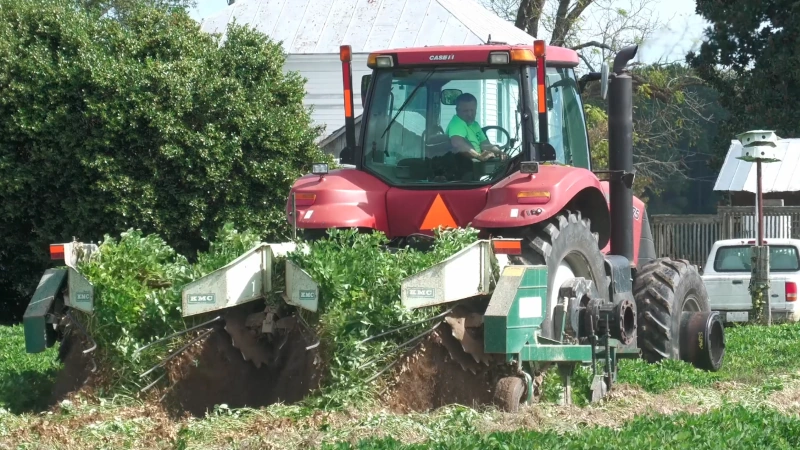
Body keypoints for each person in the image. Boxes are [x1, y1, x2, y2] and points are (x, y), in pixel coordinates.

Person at [446, 93, 506, 161]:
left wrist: (500, 152)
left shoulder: (475, 124)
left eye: (472, 110)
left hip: (477, 164)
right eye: (465, 111)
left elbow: (484, 144)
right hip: (465, 166)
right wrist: (479, 156)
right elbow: (457, 144)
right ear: (457, 110)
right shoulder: (456, 123)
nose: (469, 114)